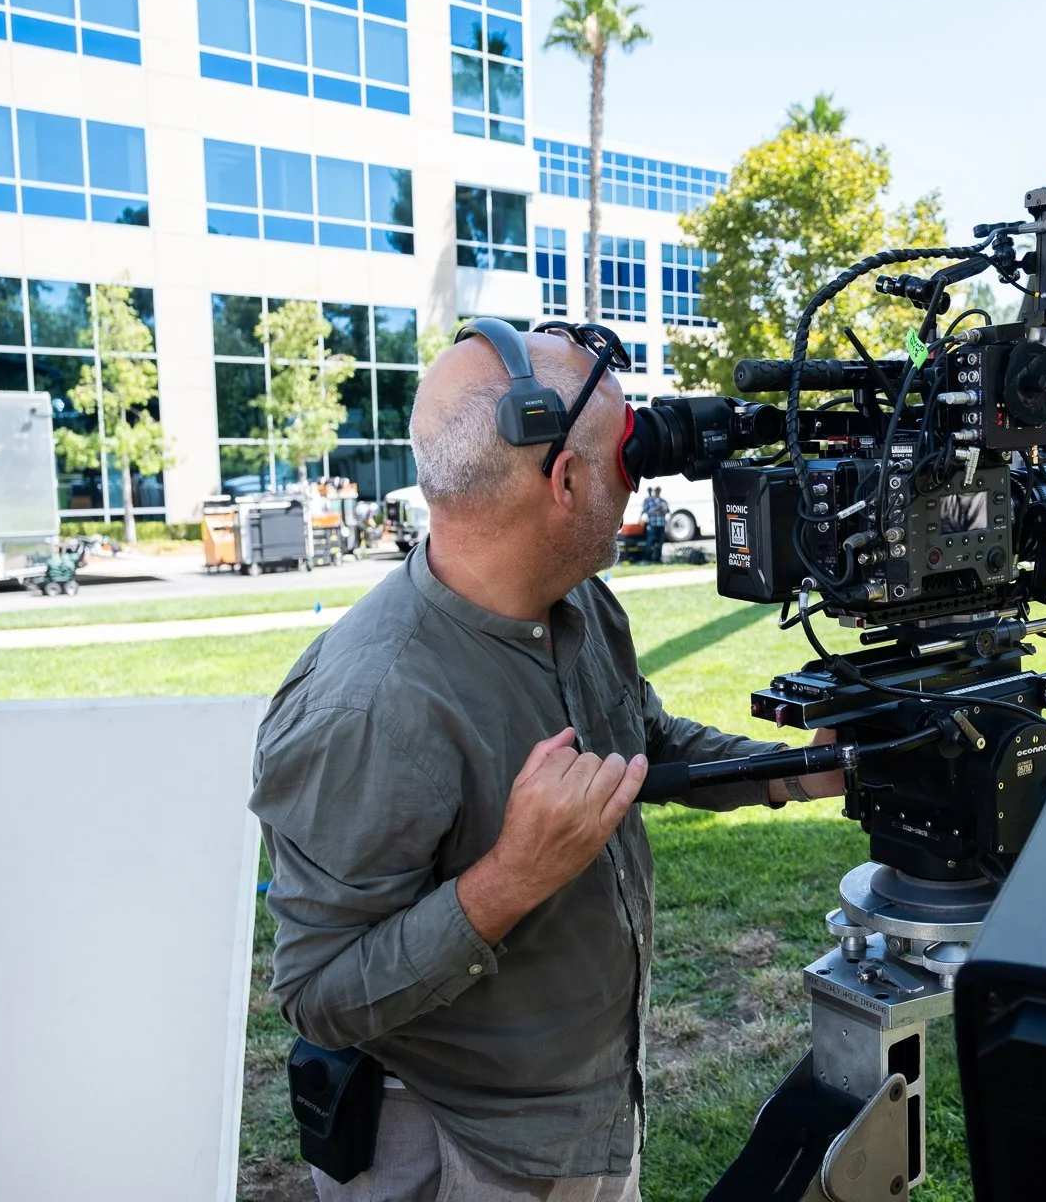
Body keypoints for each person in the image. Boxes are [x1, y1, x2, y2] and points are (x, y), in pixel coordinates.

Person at [249, 324, 840, 1202]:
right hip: (465, 1153)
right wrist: (512, 878)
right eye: (626, 459)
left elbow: (647, 742)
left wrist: (796, 770)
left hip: (588, 1121)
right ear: (565, 481)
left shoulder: (579, 602)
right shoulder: (369, 706)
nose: (639, 481)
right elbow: (318, 992)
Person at [640, 486, 669, 563]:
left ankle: (658, 559)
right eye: (656, 491)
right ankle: (647, 558)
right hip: (652, 524)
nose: (657, 492)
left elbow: (668, 511)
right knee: (650, 542)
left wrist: (663, 510)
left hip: (661, 524)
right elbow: (645, 511)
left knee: (660, 543)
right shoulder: (648, 501)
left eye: (658, 491)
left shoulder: (663, 501)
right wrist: (655, 509)